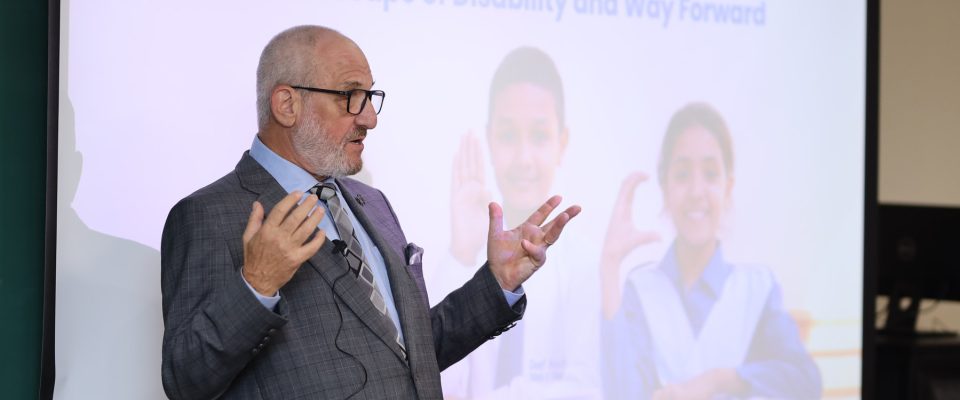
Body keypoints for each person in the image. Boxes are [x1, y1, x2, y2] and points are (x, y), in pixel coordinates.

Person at [160, 25, 580, 400]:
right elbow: (186, 381)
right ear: (286, 104)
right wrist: (257, 285)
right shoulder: (207, 216)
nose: (370, 118)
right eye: (351, 97)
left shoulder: (371, 204)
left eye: (371, 97)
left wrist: (496, 284)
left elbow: (409, 355)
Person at [599, 102, 821, 399]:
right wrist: (610, 266)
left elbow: (805, 382)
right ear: (664, 188)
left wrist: (719, 381)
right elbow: (622, 393)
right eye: (681, 175)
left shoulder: (756, 288)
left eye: (711, 174)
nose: (696, 191)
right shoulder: (641, 290)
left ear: (728, 189)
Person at [429, 47, 600, 399]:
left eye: (538, 136)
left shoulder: (582, 264)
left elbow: (585, 388)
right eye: (508, 136)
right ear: (490, 140)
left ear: (562, 143)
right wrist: (462, 253)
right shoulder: (459, 254)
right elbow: (437, 384)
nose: (524, 158)